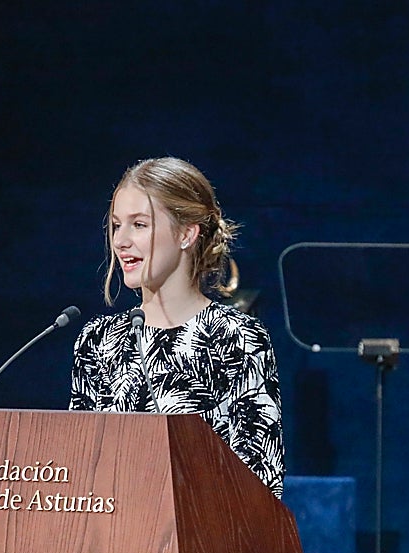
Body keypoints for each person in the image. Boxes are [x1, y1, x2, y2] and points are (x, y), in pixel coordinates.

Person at [69, 157, 284, 497]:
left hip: (208, 545)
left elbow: (263, 480)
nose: (120, 241)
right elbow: (81, 472)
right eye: (115, 225)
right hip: (114, 545)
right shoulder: (98, 340)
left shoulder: (236, 337)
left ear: (186, 233)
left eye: (139, 225)